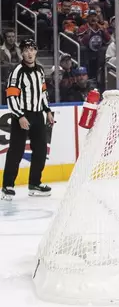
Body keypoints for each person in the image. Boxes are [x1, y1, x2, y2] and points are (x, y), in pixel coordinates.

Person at [2, 39, 55, 200]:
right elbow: (11, 96)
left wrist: (47, 110)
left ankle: (34, 184)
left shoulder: (39, 70)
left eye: (32, 49)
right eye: (26, 50)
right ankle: (7, 186)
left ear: (36, 51)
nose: (29, 53)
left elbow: (43, 93)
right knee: (16, 152)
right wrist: (19, 116)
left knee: (40, 151)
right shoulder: (17, 71)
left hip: (38, 114)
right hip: (22, 115)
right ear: (22, 53)